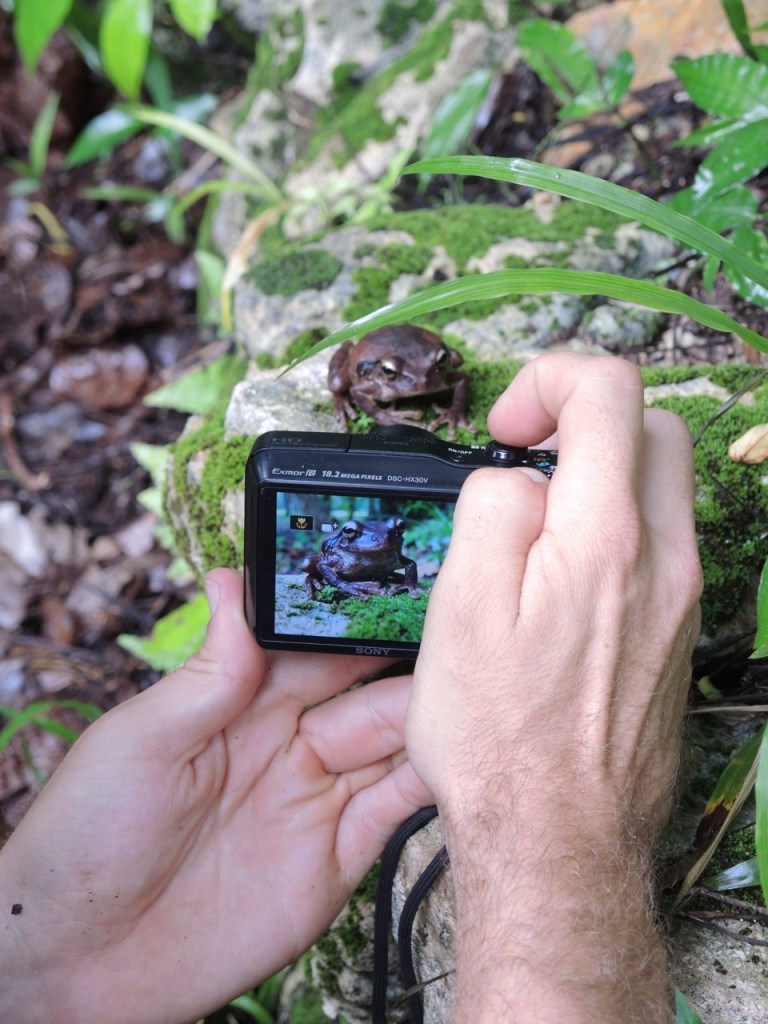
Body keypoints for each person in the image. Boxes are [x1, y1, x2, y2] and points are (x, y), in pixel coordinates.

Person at [0, 353, 702, 1024]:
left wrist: (39, 966)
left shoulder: (392, 553)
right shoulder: (337, 553)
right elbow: (328, 565)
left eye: (388, 535)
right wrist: (555, 806)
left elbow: (404, 569)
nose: (380, 541)